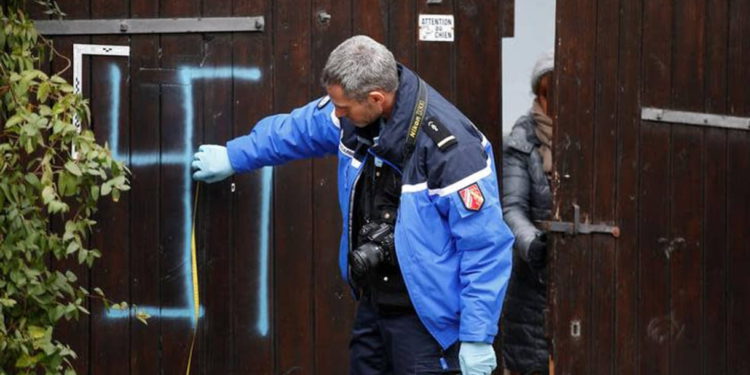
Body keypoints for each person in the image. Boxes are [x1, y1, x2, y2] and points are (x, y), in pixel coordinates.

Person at [191, 35, 514, 375]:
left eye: (342, 107)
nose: (335, 113)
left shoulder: (450, 149)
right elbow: (298, 130)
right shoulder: (352, 112)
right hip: (375, 305)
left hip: (430, 324)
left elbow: (485, 247)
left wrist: (478, 336)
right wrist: (234, 155)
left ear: (376, 98)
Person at [500, 51, 554, 375]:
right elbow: (512, 208)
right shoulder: (521, 141)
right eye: (551, 91)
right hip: (534, 280)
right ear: (541, 94)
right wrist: (534, 244)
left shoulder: (594, 138)